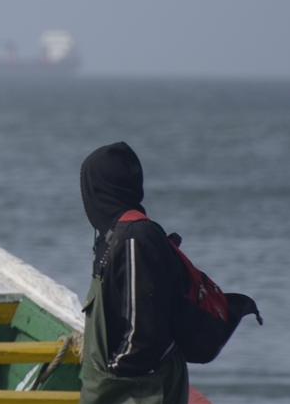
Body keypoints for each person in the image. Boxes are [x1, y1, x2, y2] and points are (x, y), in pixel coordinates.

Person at [79, 142, 188, 404]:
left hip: (138, 390)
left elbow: (143, 334)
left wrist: (113, 374)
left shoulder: (133, 238)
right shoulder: (115, 235)